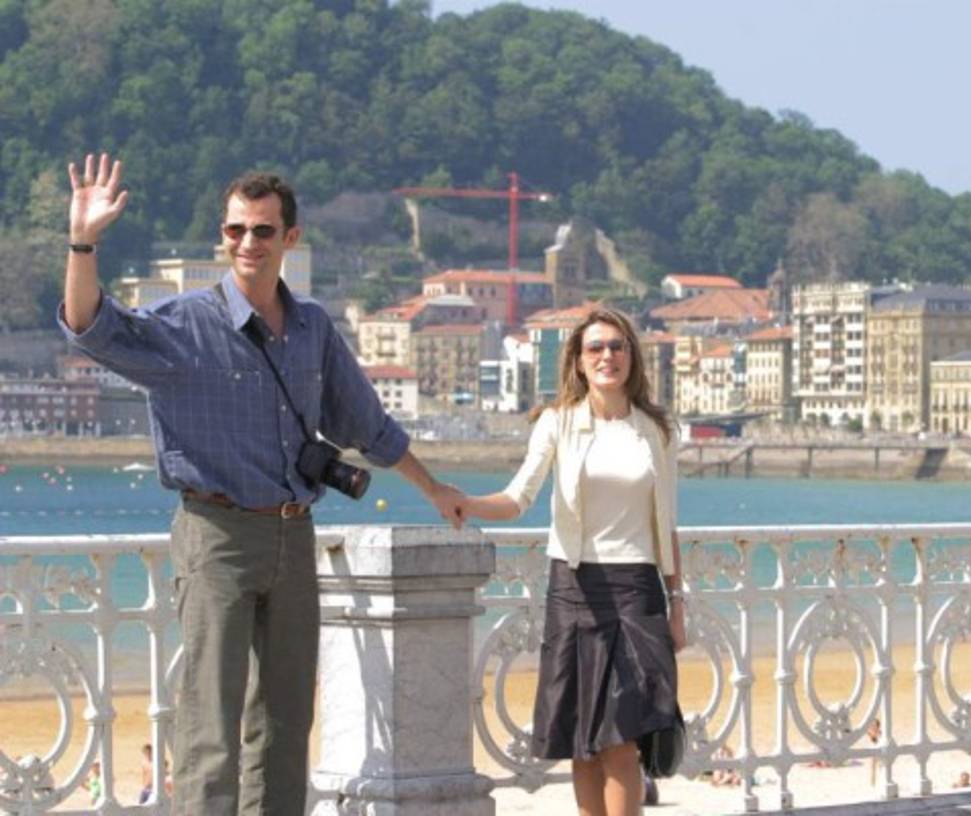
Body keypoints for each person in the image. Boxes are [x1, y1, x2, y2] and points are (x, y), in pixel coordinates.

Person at [59, 153, 464, 815]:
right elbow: (90, 328)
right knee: (210, 726)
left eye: (263, 230)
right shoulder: (184, 323)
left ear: (290, 238)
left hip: (293, 535)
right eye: (235, 229)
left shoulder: (312, 328)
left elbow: (367, 424)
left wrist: (434, 487)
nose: (247, 242)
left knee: (284, 723)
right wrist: (83, 242)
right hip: (216, 535)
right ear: (223, 235)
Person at [458, 307, 684, 816]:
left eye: (617, 346)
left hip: (638, 590)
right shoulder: (557, 423)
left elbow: (667, 521)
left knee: (622, 738)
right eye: (595, 348)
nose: (608, 356)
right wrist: (467, 504)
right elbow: (518, 498)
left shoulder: (657, 430)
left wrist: (678, 604)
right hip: (575, 588)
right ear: (578, 361)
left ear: (632, 356)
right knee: (582, 739)